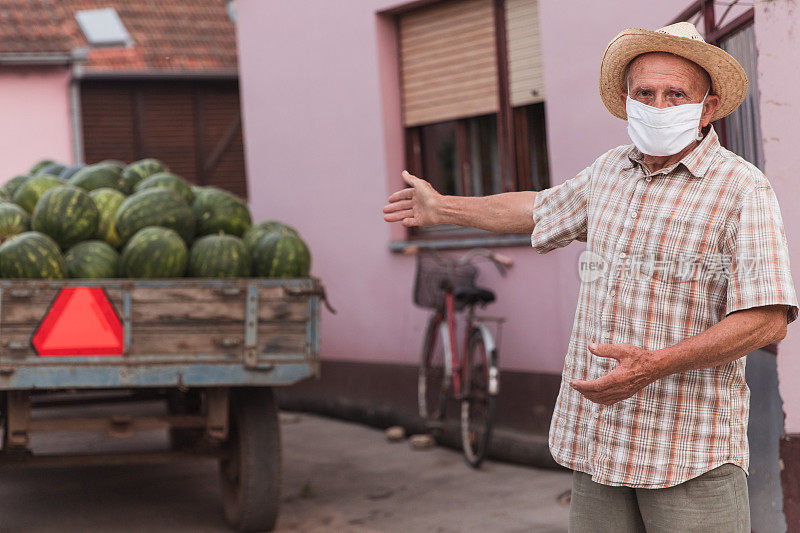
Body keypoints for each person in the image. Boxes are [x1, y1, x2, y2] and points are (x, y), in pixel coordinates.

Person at [382, 22, 799, 532]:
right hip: (600, 445)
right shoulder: (609, 172)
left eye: (676, 95)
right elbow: (537, 209)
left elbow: (767, 320)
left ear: (707, 108)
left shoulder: (742, 189)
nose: (658, 106)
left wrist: (653, 364)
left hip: (688, 451)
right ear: (627, 102)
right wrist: (443, 207)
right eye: (645, 94)